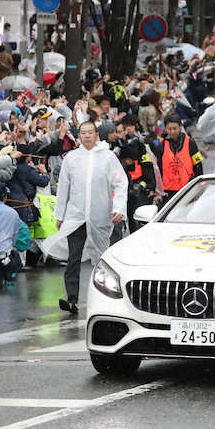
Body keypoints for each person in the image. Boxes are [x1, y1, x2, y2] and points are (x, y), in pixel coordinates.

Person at [51, 121, 128, 314]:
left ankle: (104, 299)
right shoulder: (71, 158)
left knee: (102, 259)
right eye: (83, 133)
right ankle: (72, 298)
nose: (86, 136)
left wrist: (119, 208)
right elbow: (63, 188)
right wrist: (60, 215)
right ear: (79, 136)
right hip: (76, 216)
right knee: (73, 257)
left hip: (100, 215)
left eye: (90, 133)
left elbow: (120, 183)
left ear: (96, 135)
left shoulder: (108, 157)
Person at [149, 114, 203, 197]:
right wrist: (154, 189)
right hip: (168, 191)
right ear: (165, 129)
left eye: (175, 128)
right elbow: (157, 170)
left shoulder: (190, 143)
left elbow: (198, 165)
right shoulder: (160, 146)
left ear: (180, 127)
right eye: (169, 129)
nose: (172, 131)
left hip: (188, 188)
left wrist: (199, 187)